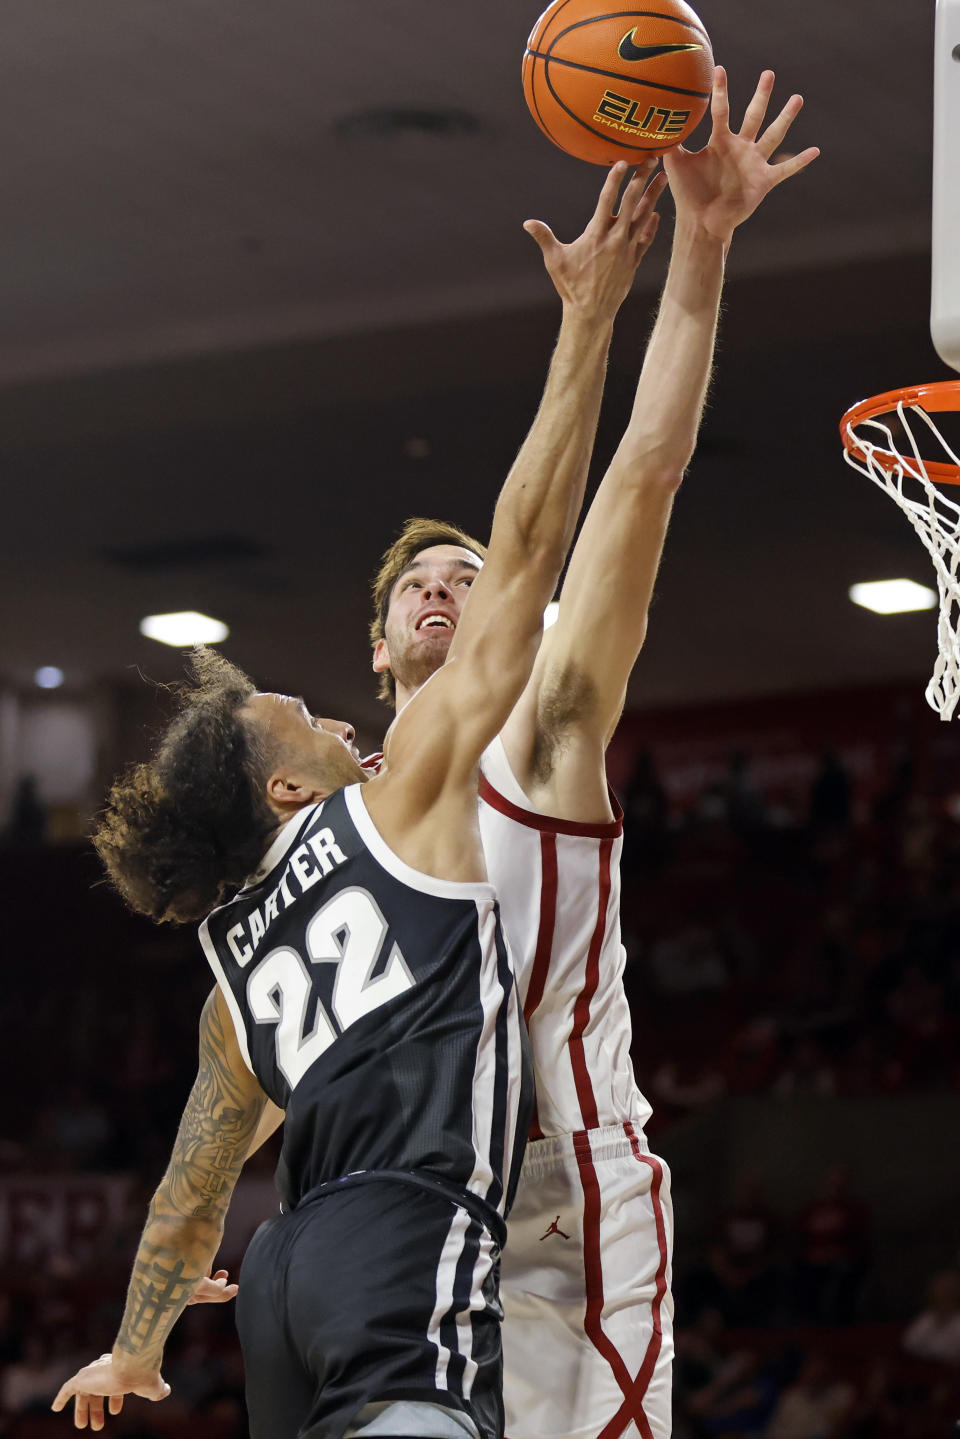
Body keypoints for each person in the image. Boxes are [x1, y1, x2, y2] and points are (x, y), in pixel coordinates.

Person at [51, 161, 666, 1438]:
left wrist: (135, 1343)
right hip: (417, 1214)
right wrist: (591, 317)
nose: (325, 711)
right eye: (298, 713)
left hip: (282, 1264)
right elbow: (535, 535)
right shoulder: (392, 809)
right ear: (284, 784)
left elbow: (191, 1179)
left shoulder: (234, 970)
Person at [369, 69, 818, 1439]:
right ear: (379, 646)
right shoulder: (342, 820)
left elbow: (640, 476)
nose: (446, 590)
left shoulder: (545, 726)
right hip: (405, 1210)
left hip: (565, 1202)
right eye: (415, 585)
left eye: (469, 571)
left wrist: (704, 249)